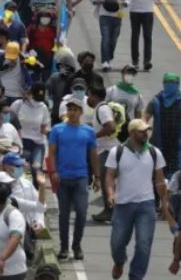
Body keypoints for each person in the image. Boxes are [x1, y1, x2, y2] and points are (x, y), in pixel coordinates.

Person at [104, 118, 177, 280]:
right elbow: (109, 175)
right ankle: (119, 261)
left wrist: (164, 203)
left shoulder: (154, 152)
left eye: (147, 130)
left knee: (143, 245)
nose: (146, 133)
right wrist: (110, 193)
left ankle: (136, 276)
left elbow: (159, 179)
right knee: (117, 244)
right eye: (142, 131)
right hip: (123, 205)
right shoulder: (118, 152)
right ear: (131, 132)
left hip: (146, 205)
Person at [47, 96, 99, 260]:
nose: (72, 112)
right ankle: (64, 247)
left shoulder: (88, 131)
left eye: (75, 109)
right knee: (64, 214)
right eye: (70, 109)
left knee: (82, 212)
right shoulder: (57, 129)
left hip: (81, 177)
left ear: (81, 112)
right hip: (62, 177)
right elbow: (52, 153)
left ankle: (77, 245)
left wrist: (97, 177)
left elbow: (93, 155)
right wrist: (54, 172)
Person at [126, 0, 163, 71]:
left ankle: (147, 61)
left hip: (148, 11)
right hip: (135, 11)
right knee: (135, 36)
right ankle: (135, 61)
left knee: (148, 37)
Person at [91, 0, 129, 72]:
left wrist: (124, 3)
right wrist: (99, 2)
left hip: (117, 17)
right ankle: (105, 62)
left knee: (113, 40)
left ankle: (109, 56)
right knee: (105, 38)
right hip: (104, 16)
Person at [144, 72, 181, 178]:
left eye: (173, 82)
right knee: (157, 175)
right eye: (167, 82)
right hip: (159, 145)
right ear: (163, 84)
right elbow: (143, 120)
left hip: (177, 147)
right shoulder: (156, 101)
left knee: (175, 178)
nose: (170, 85)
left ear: (178, 84)